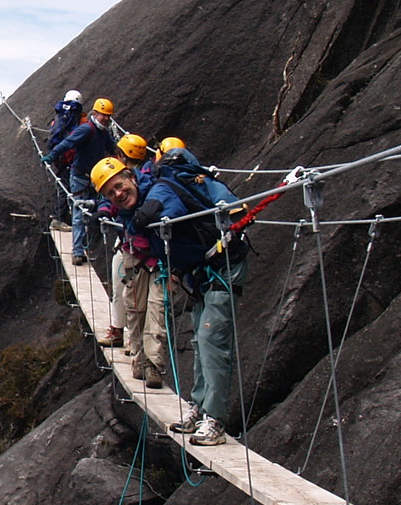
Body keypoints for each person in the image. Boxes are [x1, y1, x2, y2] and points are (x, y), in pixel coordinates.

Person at [136, 138, 249, 446]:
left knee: (212, 340)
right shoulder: (194, 179)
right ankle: (200, 407)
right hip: (209, 266)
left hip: (222, 265)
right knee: (201, 337)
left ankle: (214, 420)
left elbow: (159, 212)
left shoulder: (168, 185)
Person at [90, 155, 168, 386]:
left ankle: (153, 367)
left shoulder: (154, 188)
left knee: (157, 309)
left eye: (119, 186)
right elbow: (107, 203)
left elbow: (167, 200)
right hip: (134, 255)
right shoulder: (118, 199)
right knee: (134, 309)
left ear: (130, 177)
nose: (118, 194)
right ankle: (139, 359)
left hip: (161, 258)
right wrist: (104, 211)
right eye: (110, 192)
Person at [39, 98, 120, 264]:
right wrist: (52, 155)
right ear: (95, 113)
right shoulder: (86, 129)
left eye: (108, 116)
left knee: (97, 211)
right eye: (103, 115)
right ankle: (77, 252)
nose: (106, 118)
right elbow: (68, 142)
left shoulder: (103, 132)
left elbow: (112, 148)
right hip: (80, 177)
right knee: (79, 213)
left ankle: (85, 247)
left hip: (96, 178)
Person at [45, 90, 85, 225]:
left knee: (63, 186)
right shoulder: (78, 120)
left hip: (59, 157)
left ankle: (61, 215)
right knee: (67, 188)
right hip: (71, 158)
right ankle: (59, 219)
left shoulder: (58, 118)